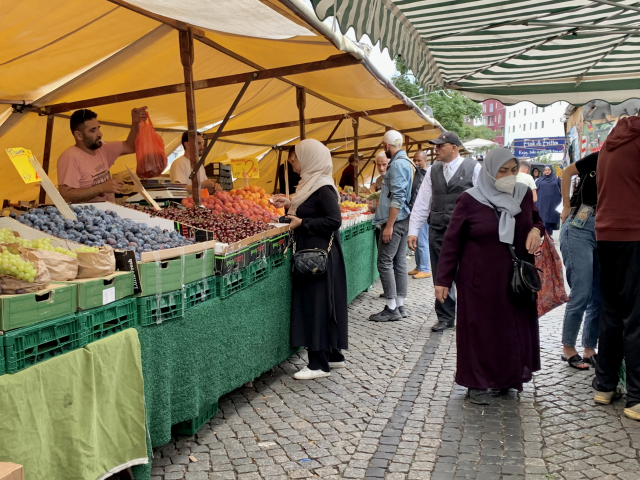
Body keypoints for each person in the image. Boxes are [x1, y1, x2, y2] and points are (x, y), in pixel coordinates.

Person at [435, 148, 544, 405]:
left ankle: (508, 378)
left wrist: (537, 230)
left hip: (515, 279)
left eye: (513, 171)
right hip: (480, 281)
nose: (508, 176)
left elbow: (538, 220)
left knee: (511, 329)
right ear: (489, 171)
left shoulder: (523, 194)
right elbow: (452, 242)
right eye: (502, 171)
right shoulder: (469, 200)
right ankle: (477, 382)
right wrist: (443, 279)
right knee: (481, 331)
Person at [271, 139, 348, 380]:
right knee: (324, 304)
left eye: (296, 156)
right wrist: (290, 204)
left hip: (317, 257)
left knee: (316, 305)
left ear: (309, 158)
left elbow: (334, 221)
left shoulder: (322, 187)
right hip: (316, 255)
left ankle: (318, 364)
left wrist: (303, 223)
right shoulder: (312, 184)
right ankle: (333, 356)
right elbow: (311, 207)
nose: (292, 161)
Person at [408, 131, 481, 332]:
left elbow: (485, 198)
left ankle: (469, 315)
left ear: (454, 148)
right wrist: (413, 230)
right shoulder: (433, 171)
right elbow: (423, 202)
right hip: (439, 230)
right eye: (436, 146)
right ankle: (445, 316)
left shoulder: (474, 168)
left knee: (466, 274)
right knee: (441, 273)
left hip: (466, 233)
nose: (436, 149)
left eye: (440, 146)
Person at [592, 116, 640, 421]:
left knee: (611, 313)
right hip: (634, 234)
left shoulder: (610, 142)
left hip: (606, 234)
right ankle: (637, 397)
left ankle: (605, 385)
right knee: (636, 316)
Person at [558, 152, 600, 371]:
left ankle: (589, 348)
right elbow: (567, 172)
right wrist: (566, 204)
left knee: (599, 295)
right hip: (579, 226)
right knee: (582, 292)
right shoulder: (603, 155)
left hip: (606, 229)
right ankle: (568, 347)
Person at [57, 107, 147, 203]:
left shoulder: (102, 148)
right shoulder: (70, 157)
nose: (100, 134)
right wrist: (101, 188)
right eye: (93, 130)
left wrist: (135, 124)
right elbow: (66, 196)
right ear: (79, 135)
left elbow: (130, 147)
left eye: (98, 128)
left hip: (109, 213)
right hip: (88, 216)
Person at [370, 130, 413, 322]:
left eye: (383, 145)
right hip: (404, 219)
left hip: (396, 219)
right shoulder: (406, 163)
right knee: (399, 262)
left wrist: (389, 226)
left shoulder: (396, 165)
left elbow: (397, 198)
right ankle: (400, 304)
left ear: (387, 146)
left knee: (385, 261)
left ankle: (391, 307)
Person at [407, 151, 431, 279]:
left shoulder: (427, 175)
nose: (416, 163)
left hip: (422, 213)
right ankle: (419, 266)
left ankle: (426, 268)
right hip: (414, 212)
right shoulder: (416, 173)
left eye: (419, 160)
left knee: (422, 241)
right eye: (415, 160)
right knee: (415, 240)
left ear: (425, 160)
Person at [534, 165, 562, 235]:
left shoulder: (556, 179)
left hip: (553, 203)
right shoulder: (539, 180)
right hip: (542, 203)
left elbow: (562, 189)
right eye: (545, 170)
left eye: (548, 170)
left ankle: (548, 238)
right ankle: (544, 237)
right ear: (543, 171)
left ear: (551, 170)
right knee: (543, 219)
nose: (547, 171)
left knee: (550, 220)